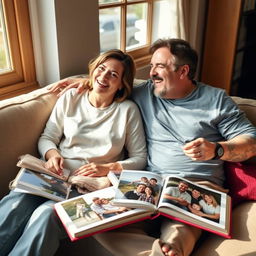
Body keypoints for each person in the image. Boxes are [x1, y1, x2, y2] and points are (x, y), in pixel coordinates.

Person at [49, 38, 256, 256]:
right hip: (148, 183)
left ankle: (169, 250)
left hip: (196, 185)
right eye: (152, 65)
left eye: (160, 66)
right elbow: (108, 84)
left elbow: (251, 142)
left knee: (178, 235)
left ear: (183, 71)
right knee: (97, 224)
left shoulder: (216, 100)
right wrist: (83, 83)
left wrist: (218, 149)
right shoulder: (145, 92)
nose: (151, 73)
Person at [0, 49, 147, 256]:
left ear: (122, 83)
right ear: (93, 69)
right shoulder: (71, 97)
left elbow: (140, 158)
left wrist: (108, 168)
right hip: (54, 175)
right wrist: (52, 155)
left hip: (88, 186)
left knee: (46, 215)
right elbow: (48, 136)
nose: (104, 77)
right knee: (16, 203)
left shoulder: (127, 111)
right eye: (101, 68)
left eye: (113, 74)